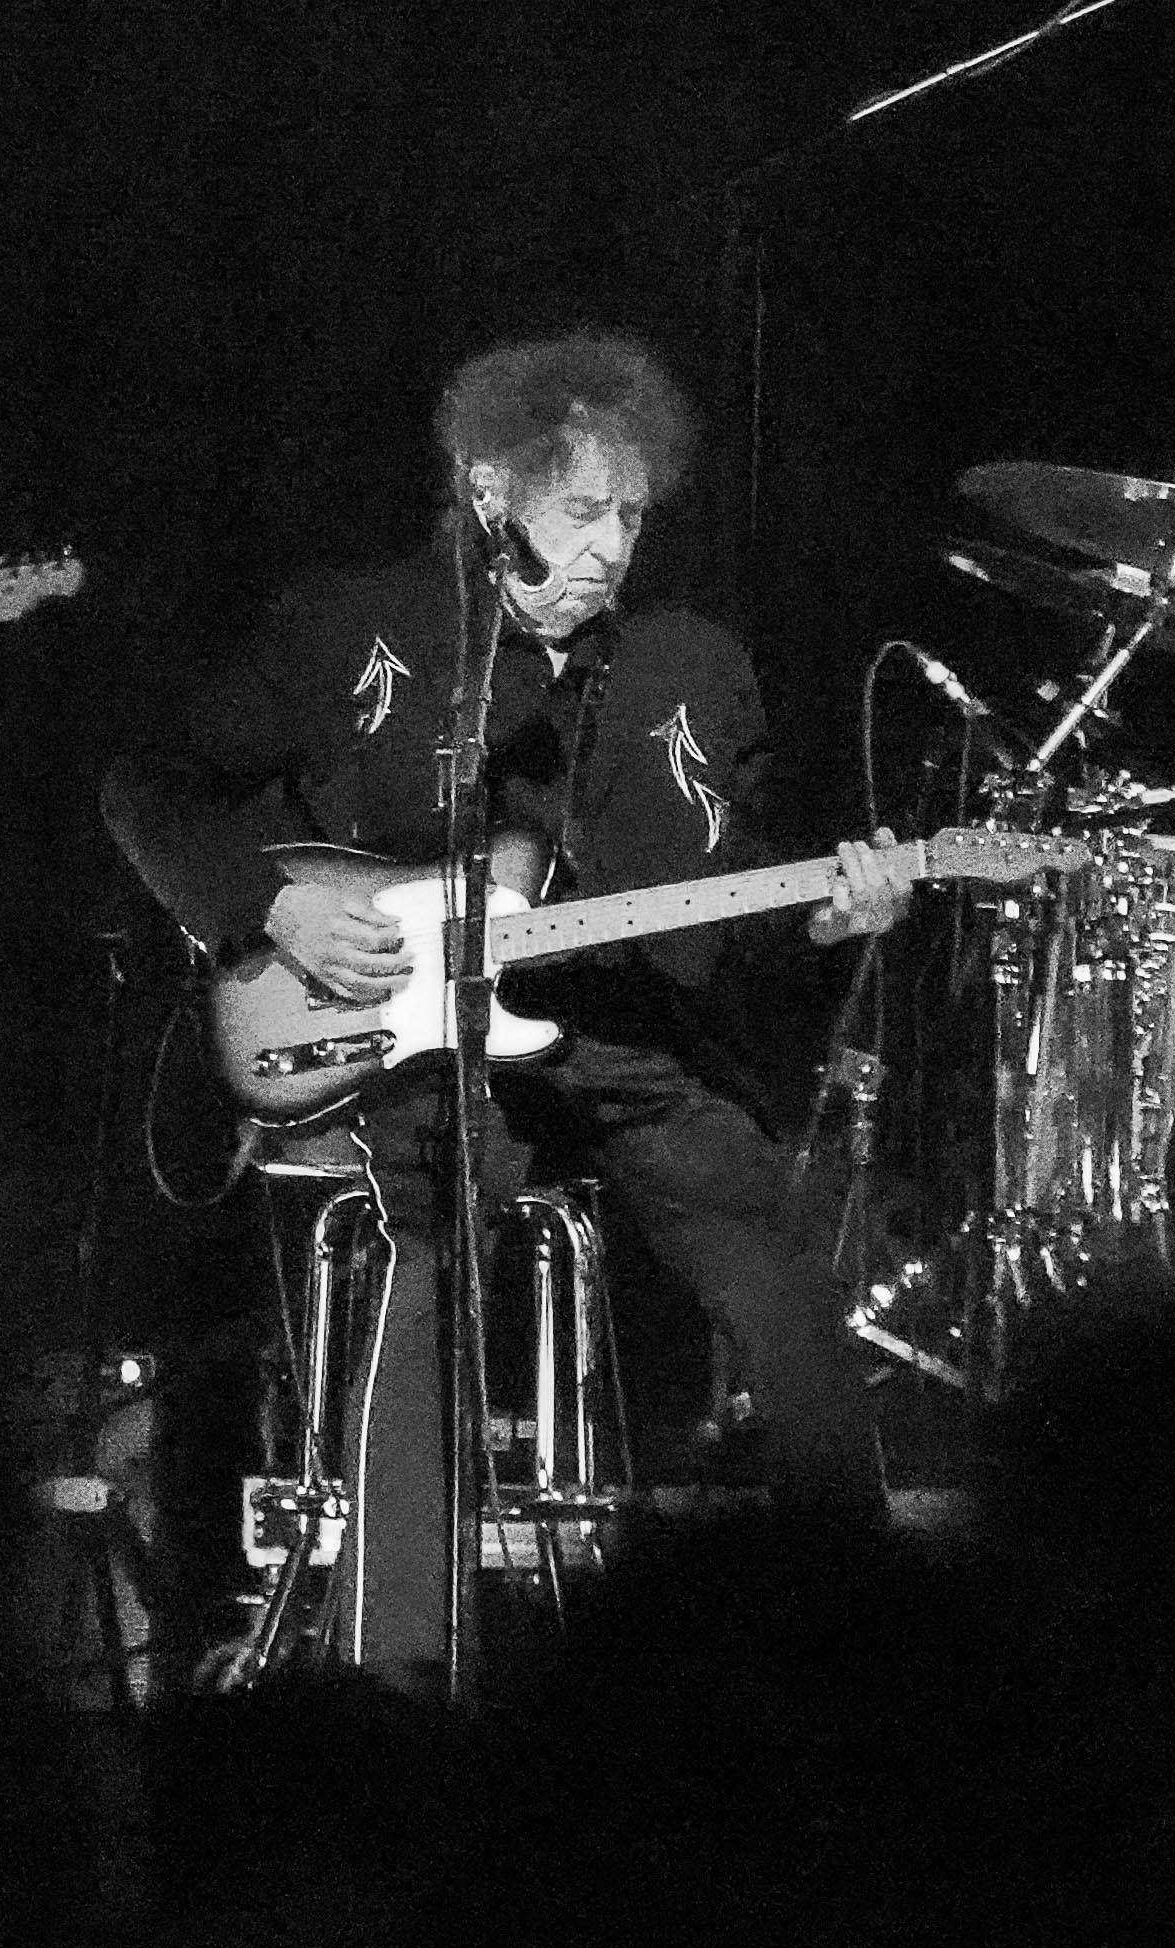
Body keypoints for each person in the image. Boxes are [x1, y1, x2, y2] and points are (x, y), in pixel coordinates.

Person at [102, 327, 920, 1610]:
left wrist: (831, 915)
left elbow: (740, 888)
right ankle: (397, 1660)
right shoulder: (351, 624)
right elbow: (147, 785)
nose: (612, 548)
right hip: (408, 1042)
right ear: (491, 492)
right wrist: (269, 907)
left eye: (633, 519)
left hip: (625, 1044)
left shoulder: (690, 669)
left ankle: (864, 1615)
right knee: (427, 1259)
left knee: (778, 1245)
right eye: (583, 511)